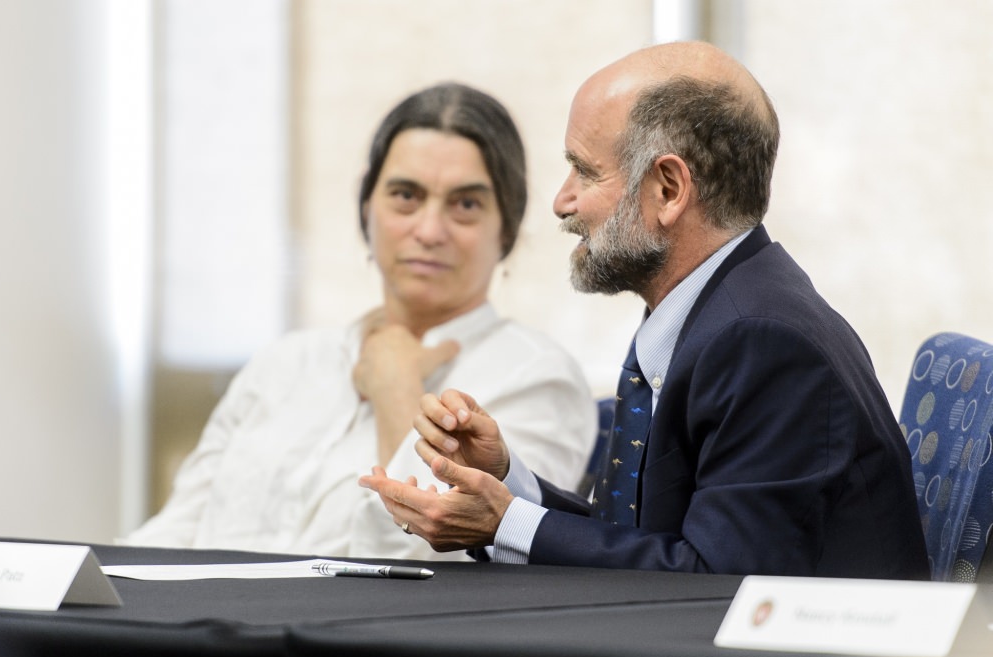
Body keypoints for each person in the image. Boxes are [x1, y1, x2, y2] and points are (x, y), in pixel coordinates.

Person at [359, 42, 930, 579]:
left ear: (668, 190)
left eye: (584, 170)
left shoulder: (760, 340)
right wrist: (507, 485)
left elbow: (712, 585)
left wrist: (505, 523)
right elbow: (648, 543)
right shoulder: (721, 309)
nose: (563, 201)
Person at [124, 82, 598, 560]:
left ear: (508, 228)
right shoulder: (285, 361)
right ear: (366, 208)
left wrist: (398, 389)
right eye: (405, 195)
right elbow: (172, 536)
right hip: (198, 627)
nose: (430, 231)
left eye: (466, 204)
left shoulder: (540, 378)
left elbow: (452, 570)